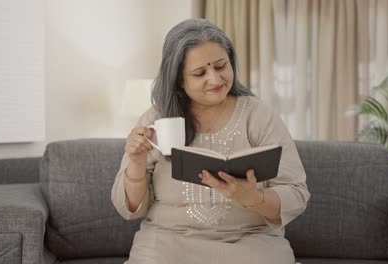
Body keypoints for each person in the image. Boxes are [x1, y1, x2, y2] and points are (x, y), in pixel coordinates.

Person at [111, 18, 310, 264]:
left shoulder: (258, 115)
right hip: (170, 242)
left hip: (250, 241)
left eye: (220, 66)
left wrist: (253, 198)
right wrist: (137, 163)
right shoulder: (156, 119)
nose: (215, 79)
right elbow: (130, 209)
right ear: (178, 80)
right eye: (200, 73)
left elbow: (296, 193)